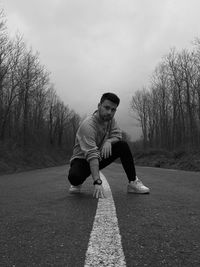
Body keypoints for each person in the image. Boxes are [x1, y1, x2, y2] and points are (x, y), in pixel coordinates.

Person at [68, 92, 150, 198]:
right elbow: (91, 155)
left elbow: (118, 135)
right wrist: (97, 182)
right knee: (75, 178)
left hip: (98, 155)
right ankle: (77, 183)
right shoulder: (88, 125)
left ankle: (133, 182)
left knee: (122, 146)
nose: (109, 112)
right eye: (106, 108)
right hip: (82, 159)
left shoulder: (110, 120)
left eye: (113, 110)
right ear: (99, 106)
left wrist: (109, 141)